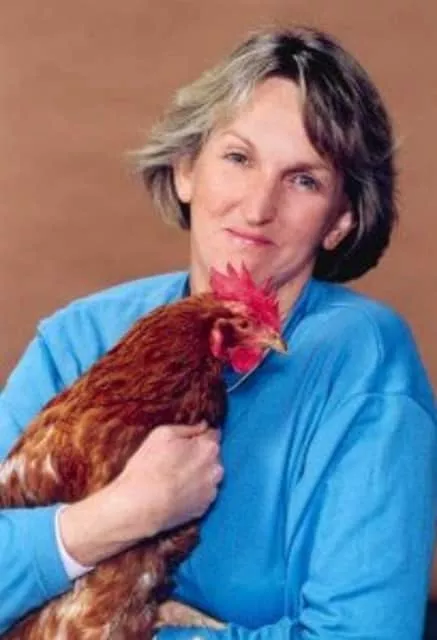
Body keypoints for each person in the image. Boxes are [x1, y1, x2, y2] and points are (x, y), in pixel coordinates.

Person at [0, 25, 436, 639]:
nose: (258, 207)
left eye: (304, 180)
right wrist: (120, 515)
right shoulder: (78, 340)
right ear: (186, 170)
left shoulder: (361, 362)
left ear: (339, 221)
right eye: (238, 158)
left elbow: (363, 634)